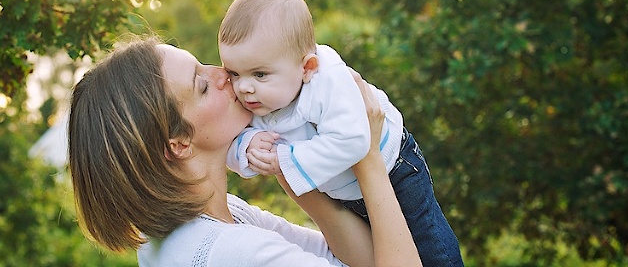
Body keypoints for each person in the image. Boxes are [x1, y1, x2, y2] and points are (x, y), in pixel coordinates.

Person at [67, 34, 422, 267]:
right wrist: (367, 157)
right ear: (178, 144)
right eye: (203, 85)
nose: (224, 74)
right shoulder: (233, 253)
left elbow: (353, 258)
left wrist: (290, 165)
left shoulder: (199, 225)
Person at [220, 0, 463, 266]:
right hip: (345, 192)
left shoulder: (327, 83)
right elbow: (227, 143)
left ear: (307, 67)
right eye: (233, 73)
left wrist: (284, 159)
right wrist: (247, 146)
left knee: (431, 248)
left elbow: (355, 142)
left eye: (259, 74)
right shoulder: (257, 97)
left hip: (394, 170)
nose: (243, 87)